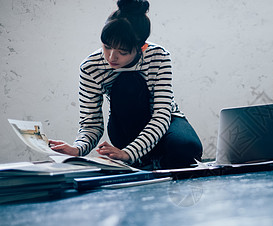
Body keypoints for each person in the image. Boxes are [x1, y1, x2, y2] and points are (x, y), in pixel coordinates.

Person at [49, 0, 203, 170]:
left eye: (122, 52)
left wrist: (129, 153)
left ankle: (148, 161)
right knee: (127, 83)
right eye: (107, 47)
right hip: (126, 127)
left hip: (165, 121)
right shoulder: (91, 67)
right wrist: (77, 149)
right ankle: (147, 161)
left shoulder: (159, 56)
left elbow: (162, 114)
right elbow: (91, 123)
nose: (111, 57)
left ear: (141, 47)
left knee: (188, 148)